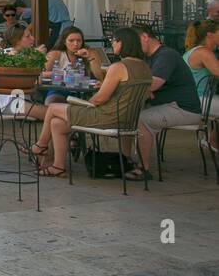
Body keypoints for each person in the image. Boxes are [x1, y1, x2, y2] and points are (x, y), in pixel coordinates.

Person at [31, 28, 153, 178]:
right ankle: (58, 166)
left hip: (107, 117)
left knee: (54, 108)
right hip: (129, 119)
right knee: (56, 123)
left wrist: (84, 104)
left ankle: (40, 146)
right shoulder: (145, 67)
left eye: (114, 41)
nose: (113, 44)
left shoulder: (118, 67)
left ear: (122, 43)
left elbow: (99, 99)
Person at [134, 25, 203, 182]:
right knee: (129, 114)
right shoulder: (150, 57)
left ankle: (143, 169)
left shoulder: (166, 55)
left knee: (142, 119)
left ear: (145, 37)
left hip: (183, 108)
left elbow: (154, 84)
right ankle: (126, 160)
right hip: (168, 105)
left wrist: (145, 87)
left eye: (134, 41)